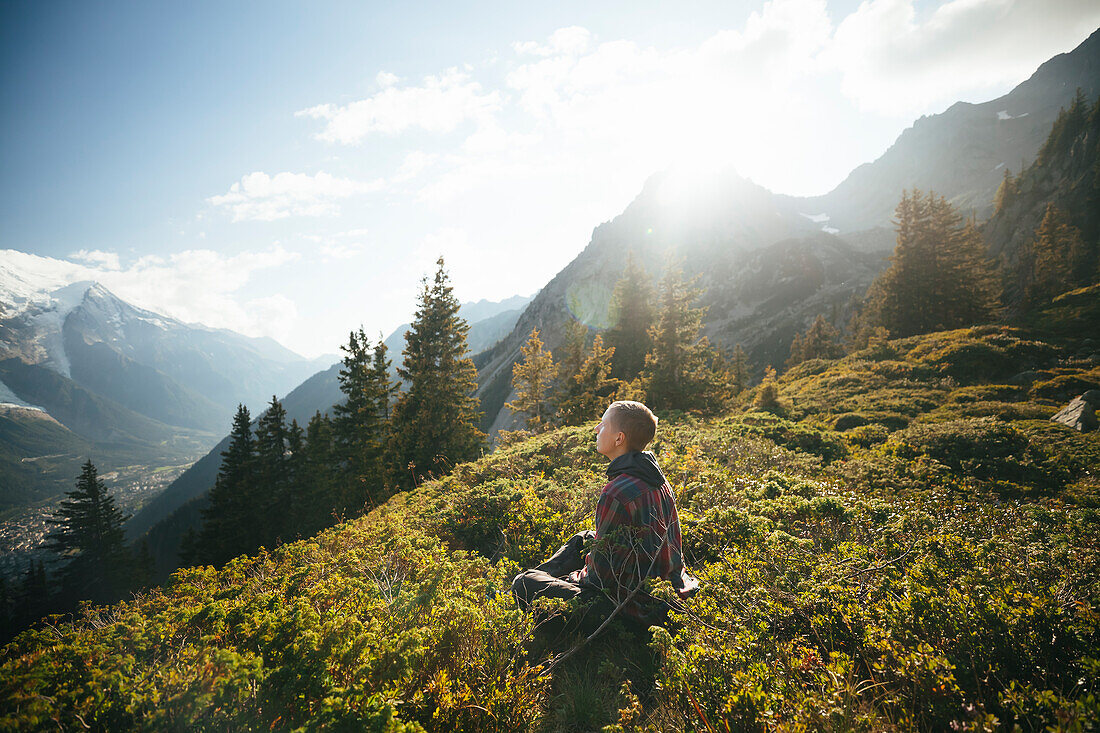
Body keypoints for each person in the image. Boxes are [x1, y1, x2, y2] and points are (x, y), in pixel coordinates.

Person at [511, 400, 698, 625]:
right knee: (584, 538)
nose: (596, 429)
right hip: (668, 594)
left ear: (619, 438)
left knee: (524, 584)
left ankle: (535, 582)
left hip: (632, 609)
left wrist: (573, 578)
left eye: (603, 424)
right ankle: (545, 578)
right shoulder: (656, 477)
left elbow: (599, 580)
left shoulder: (616, 492)